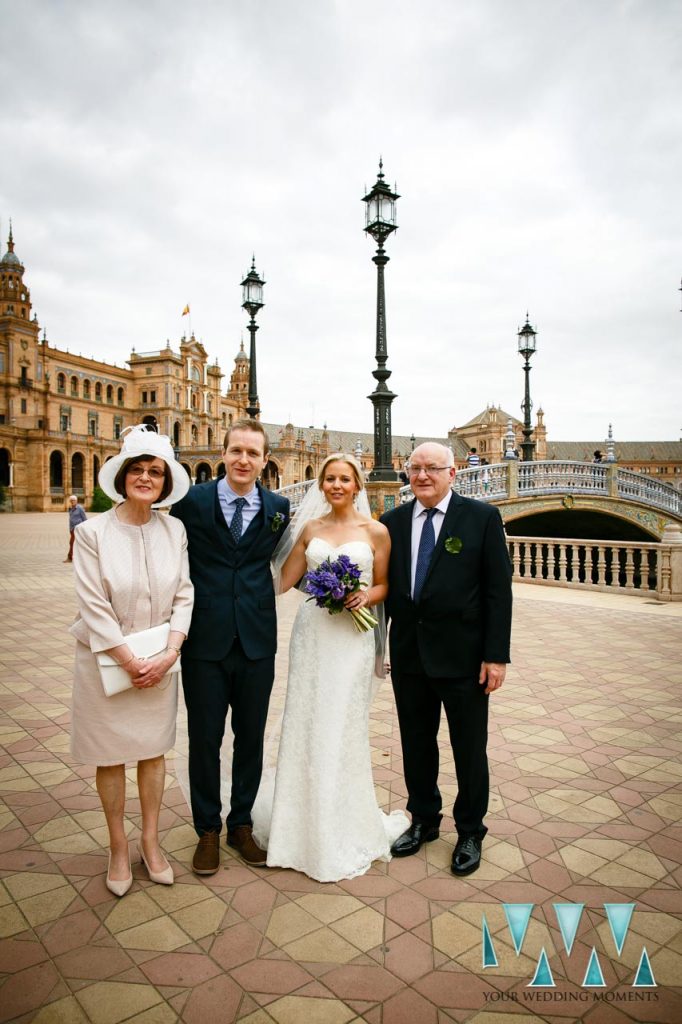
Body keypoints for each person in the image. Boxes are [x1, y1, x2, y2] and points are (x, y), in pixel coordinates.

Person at [252, 452, 408, 881]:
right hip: (314, 633)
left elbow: (385, 584)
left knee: (342, 725)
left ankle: (340, 824)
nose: (337, 485)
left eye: (344, 479)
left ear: (357, 484)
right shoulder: (311, 529)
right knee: (305, 721)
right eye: (329, 479)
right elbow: (283, 581)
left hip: (352, 640)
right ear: (321, 485)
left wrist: (364, 597)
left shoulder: (376, 531)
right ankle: (296, 830)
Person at [70, 425, 193, 897]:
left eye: (155, 471)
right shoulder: (91, 532)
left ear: (165, 481)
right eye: (137, 470)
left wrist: (169, 652)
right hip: (105, 660)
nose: (146, 477)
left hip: (160, 659)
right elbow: (93, 603)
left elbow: (184, 592)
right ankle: (117, 845)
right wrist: (127, 659)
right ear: (123, 477)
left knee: (151, 752)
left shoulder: (174, 528)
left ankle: (150, 840)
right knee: (110, 754)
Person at [381, 442, 512, 876]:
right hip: (410, 656)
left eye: (433, 468)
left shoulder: (481, 518)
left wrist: (496, 656)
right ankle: (423, 819)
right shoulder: (392, 523)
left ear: (453, 473)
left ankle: (471, 830)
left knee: (469, 749)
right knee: (416, 745)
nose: (422, 476)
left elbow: (498, 592)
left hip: (465, 658)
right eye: (415, 468)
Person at [170, 419, 290, 874]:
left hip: (257, 640)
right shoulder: (190, 503)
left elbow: (283, 562)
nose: (244, 460)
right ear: (224, 454)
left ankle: (240, 824)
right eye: (236, 450)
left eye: (253, 453)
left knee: (250, 738)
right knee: (204, 738)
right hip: (204, 638)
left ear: (264, 460)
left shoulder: (278, 506)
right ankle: (207, 829)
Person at [64, 494, 87, 562]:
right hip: (72, 529)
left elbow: (84, 518)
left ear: (76, 501)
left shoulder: (80, 508)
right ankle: (80, 557)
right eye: (71, 500)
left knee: (71, 542)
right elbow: (71, 519)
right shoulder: (70, 509)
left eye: (73, 500)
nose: (72, 502)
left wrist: (85, 528)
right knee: (75, 543)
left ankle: (70, 557)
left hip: (77, 528)